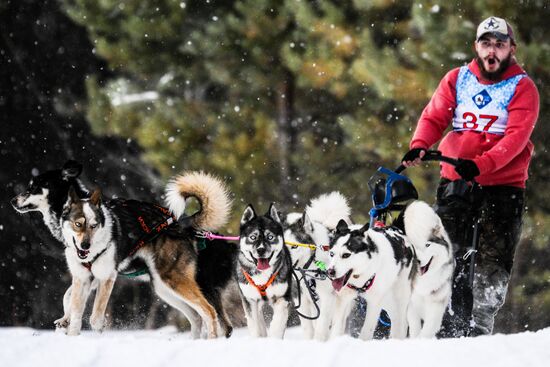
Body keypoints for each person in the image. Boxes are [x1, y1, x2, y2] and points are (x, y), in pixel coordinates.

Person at [401, 16, 539, 337]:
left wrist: (482, 164)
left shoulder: (523, 87)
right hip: (457, 181)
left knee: (492, 260)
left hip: (503, 185)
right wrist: (420, 145)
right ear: (476, 46)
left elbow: (516, 138)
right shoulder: (457, 79)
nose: (492, 51)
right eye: (486, 43)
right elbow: (434, 115)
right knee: (445, 254)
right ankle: (443, 324)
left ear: (511, 49)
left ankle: (478, 330)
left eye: (500, 45)